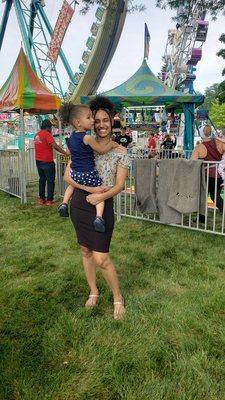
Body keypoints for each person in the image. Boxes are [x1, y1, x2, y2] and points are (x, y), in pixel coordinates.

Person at [64, 96, 130, 320]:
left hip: (103, 203)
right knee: (85, 250)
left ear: (112, 123)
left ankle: (117, 296)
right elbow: (67, 176)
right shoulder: (85, 143)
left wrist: (99, 195)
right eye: (97, 120)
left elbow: (120, 185)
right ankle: (93, 290)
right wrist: (87, 190)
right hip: (81, 204)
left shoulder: (120, 152)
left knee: (101, 258)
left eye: (105, 120)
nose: (101, 124)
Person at [57, 103, 118, 233]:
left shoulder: (72, 137)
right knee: (98, 192)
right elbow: (101, 150)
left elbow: (68, 152)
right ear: (78, 122)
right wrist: (112, 144)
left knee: (71, 186)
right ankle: (98, 217)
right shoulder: (87, 137)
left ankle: (64, 203)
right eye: (89, 118)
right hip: (88, 173)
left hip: (75, 172)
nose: (92, 120)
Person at [192, 124, 225, 222]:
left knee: (203, 196)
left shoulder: (199, 147)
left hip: (206, 175)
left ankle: (201, 218)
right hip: (219, 175)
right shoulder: (220, 143)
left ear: (201, 134)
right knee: (216, 196)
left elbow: (192, 162)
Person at [34, 119, 68, 205]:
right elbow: (55, 146)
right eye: (51, 127)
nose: (51, 129)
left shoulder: (37, 135)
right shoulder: (47, 134)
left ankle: (41, 199)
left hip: (38, 160)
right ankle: (49, 200)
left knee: (42, 179)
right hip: (47, 161)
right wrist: (65, 153)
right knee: (50, 180)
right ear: (48, 127)